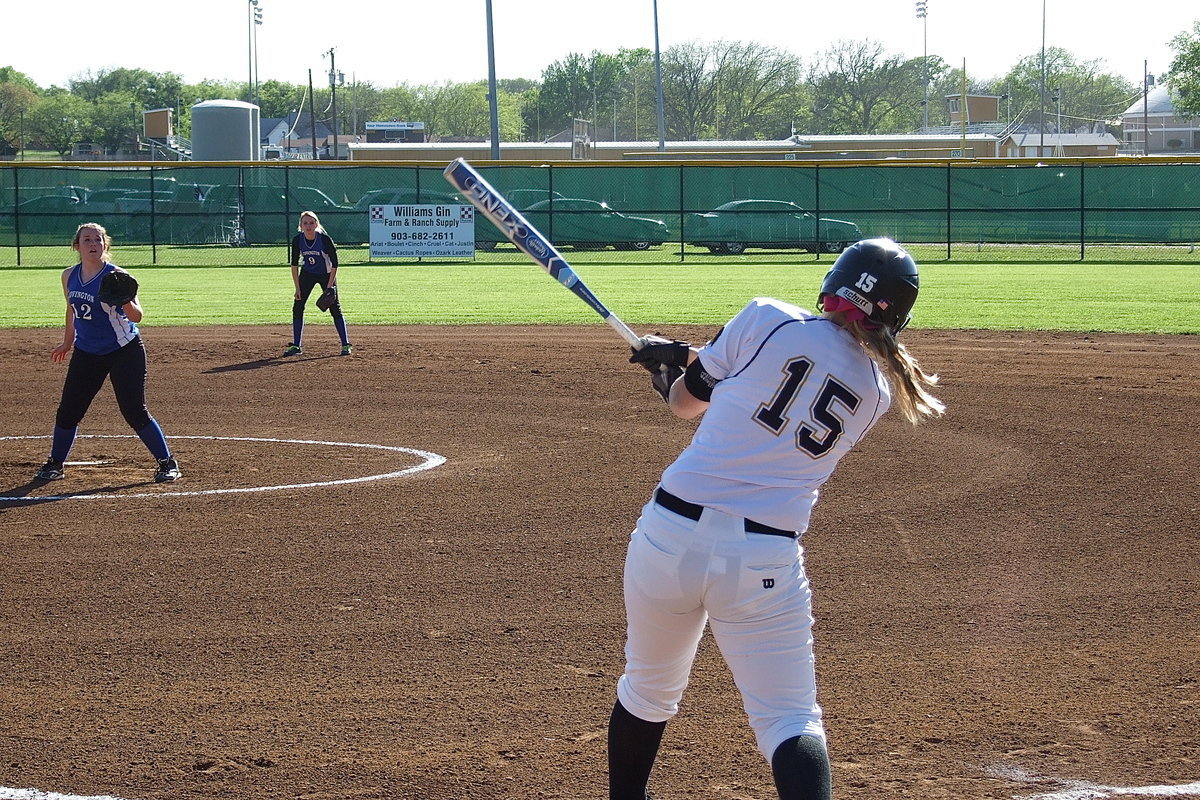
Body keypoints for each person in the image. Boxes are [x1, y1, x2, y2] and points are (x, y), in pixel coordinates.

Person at [609, 238, 945, 800]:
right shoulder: (876, 394)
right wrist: (688, 355)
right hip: (762, 557)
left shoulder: (765, 315)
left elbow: (687, 404)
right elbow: (788, 383)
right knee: (790, 719)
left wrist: (671, 375)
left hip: (669, 536)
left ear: (834, 284)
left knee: (647, 691)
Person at [34, 222, 181, 484]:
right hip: (87, 351)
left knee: (134, 410)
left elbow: (137, 316)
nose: (93, 244)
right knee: (68, 410)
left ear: (105, 245)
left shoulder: (118, 276)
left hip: (123, 350)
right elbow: (71, 310)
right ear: (76, 246)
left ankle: (167, 462)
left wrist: (124, 299)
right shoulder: (69, 276)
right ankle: (55, 464)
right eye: (87, 240)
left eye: (98, 239)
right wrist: (67, 343)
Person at [284, 210, 351, 356]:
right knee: (298, 306)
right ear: (301, 225)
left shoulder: (324, 239)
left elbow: (335, 263)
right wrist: (297, 288)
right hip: (307, 274)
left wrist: (330, 286)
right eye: (305, 223)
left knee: (334, 307)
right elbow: (294, 265)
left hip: (326, 274)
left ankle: (346, 344)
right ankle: (296, 345)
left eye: (311, 223)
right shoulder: (298, 240)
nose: (308, 226)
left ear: (316, 224)